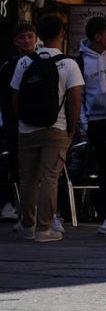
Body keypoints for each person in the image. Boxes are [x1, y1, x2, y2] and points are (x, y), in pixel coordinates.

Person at [12, 14, 83, 242]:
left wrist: (21, 119)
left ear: (39, 35)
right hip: (57, 129)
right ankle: (44, 228)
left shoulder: (24, 62)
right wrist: (72, 130)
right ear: (62, 34)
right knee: (49, 178)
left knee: (28, 179)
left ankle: (27, 225)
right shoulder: (69, 64)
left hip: (27, 129)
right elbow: (75, 99)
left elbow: (15, 95)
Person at [77, 16, 106, 234]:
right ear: (97, 37)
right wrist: (85, 123)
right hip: (97, 121)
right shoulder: (82, 61)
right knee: (103, 169)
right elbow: (80, 94)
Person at [0, 22, 38, 223]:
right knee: (15, 164)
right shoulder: (9, 67)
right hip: (15, 125)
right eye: (23, 37)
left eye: (30, 36)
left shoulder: (43, 62)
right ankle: (13, 203)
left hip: (39, 123)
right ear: (15, 41)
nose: (27, 41)